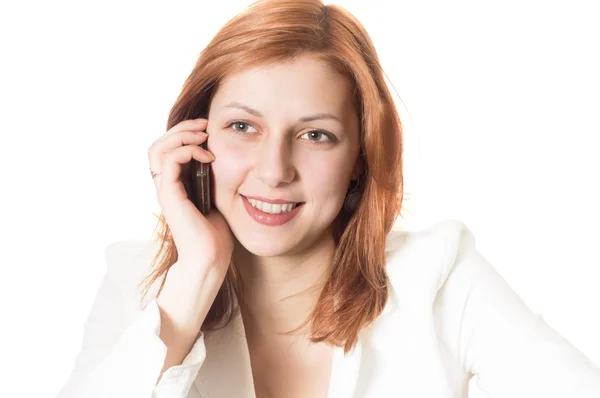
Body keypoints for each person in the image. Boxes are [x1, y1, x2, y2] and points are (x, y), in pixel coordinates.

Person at [57, 0, 600, 397]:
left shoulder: (438, 273)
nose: (274, 171)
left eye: (315, 135)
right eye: (243, 126)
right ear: (196, 137)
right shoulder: (139, 282)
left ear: (360, 155)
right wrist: (195, 275)